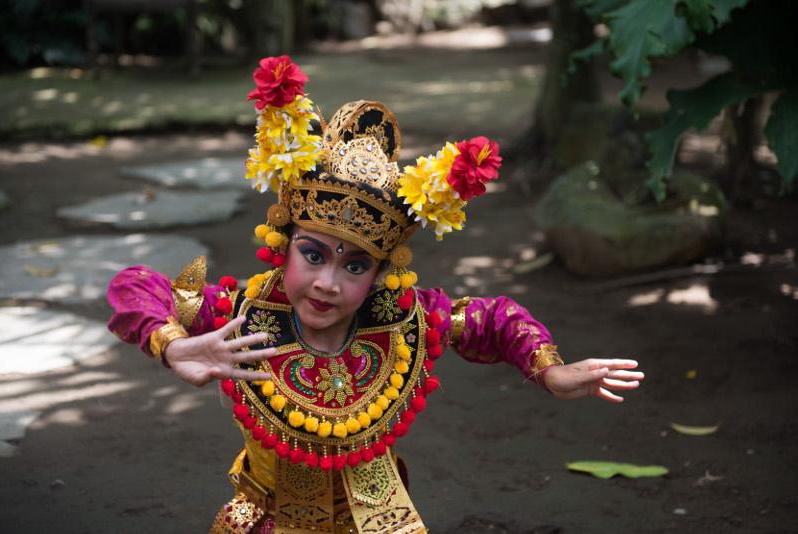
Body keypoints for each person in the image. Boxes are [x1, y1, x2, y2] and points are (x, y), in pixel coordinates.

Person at [107, 56, 643, 534]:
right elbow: (134, 285)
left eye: (355, 264)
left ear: (382, 272)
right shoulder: (243, 318)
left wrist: (547, 367)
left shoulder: (401, 319)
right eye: (313, 254)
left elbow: (490, 318)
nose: (327, 283)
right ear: (283, 243)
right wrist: (171, 344)